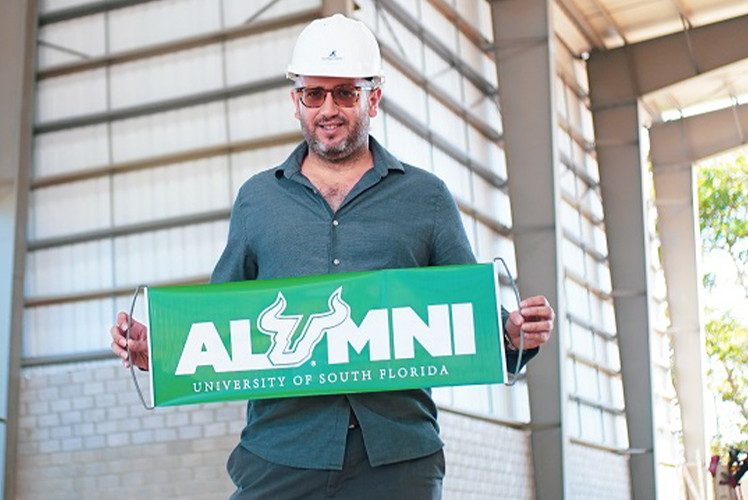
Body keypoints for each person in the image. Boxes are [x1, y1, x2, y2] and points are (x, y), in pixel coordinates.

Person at [109, 14, 554, 500]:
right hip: (280, 452)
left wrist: (513, 333)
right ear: (295, 101)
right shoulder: (257, 201)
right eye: (314, 93)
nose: (329, 108)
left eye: (346, 92)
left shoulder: (427, 199)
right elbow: (221, 321)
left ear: (374, 98)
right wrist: (160, 351)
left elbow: (471, 313)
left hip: (398, 456)